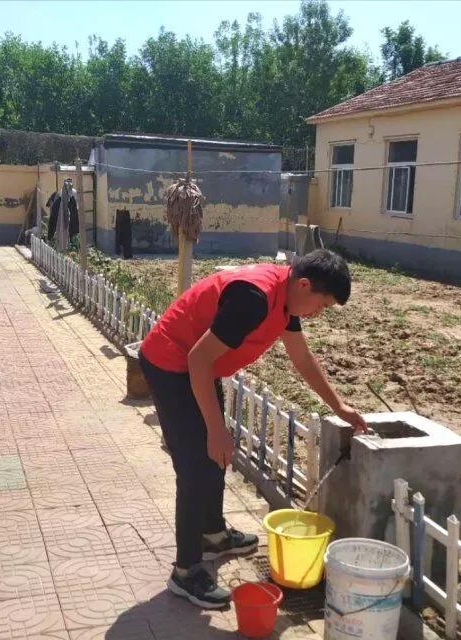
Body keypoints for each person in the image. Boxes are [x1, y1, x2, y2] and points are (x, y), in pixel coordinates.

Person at [139, 249, 367, 609]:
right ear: (304, 285)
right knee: (196, 467)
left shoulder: (285, 298)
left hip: (199, 367)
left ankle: (213, 534)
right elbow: (197, 359)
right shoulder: (254, 298)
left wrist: (338, 405)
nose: (317, 313)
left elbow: (301, 357)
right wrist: (215, 429)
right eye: (321, 305)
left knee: (216, 455)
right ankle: (185, 571)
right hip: (171, 364)